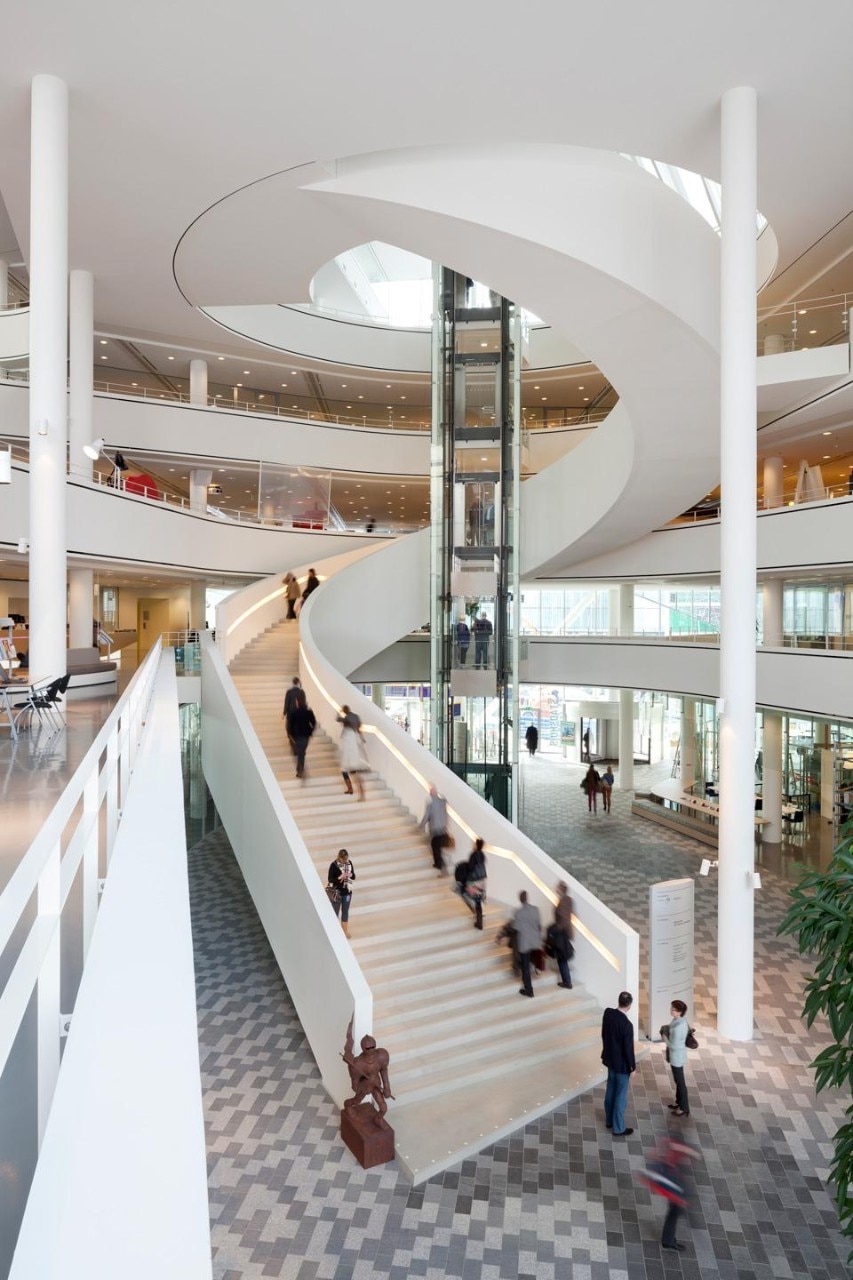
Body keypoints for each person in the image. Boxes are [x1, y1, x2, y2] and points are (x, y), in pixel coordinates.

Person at [639, 1133, 699, 1252]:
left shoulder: (673, 1143)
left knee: (675, 1210)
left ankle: (669, 1239)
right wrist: (691, 1152)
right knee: (675, 1211)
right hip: (672, 1180)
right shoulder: (675, 1145)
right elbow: (672, 1146)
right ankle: (668, 1240)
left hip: (674, 1179)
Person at [601, 991, 636, 1136]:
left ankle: (609, 1120)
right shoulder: (627, 1025)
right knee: (620, 1097)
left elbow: (603, 1033)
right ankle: (618, 1127)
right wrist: (632, 1067)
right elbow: (628, 1049)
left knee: (610, 1090)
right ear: (629, 1005)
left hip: (610, 1059)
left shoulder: (608, 1013)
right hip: (622, 1065)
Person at [513, 890, 542, 998]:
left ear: (520, 899)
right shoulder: (536, 910)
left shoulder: (518, 913)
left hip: (525, 943)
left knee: (525, 967)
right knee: (532, 960)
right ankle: (537, 970)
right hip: (535, 941)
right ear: (527, 898)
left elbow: (516, 928)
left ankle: (529, 989)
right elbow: (539, 926)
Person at [665, 998, 691, 1117]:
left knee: (680, 1082)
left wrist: (664, 1037)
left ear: (679, 1012)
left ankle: (683, 1107)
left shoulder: (679, 1026)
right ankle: (678, 1102)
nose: (671, 1011)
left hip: (677, 1057)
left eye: (673, 1009)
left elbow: (674, 1045)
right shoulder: (679, 1020)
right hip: (676, 1056)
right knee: (678, 1081)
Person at [337, 704, 368, 800]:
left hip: (350, 758)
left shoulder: (347, 729)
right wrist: (362, 738)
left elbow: (338, 719)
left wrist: (339, 712)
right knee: (356, 775)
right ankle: (361, 794)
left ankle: (351, 789)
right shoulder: (355, 729)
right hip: (356, 756)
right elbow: (359, 728)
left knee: (346, 772)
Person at [287, 687, 316, 779]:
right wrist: (310, 732)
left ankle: (300, 771)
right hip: (306, 736)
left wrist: (290, 734)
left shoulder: (294, 712)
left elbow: (290, 725)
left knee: (300, 753)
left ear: (297, 702)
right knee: (301, 752)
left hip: (298, 736)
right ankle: (300, 770)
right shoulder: (308, 712)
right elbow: (314, 723)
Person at [327, 848, 355, 937]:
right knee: (335, 912)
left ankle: (345, 931)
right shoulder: (334, 865)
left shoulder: (349, 863)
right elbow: (330, 880)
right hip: (337, 892)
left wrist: (350, 875)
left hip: (347, 891)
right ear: (339, 857)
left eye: (346, 859)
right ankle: (334, 932)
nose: (345, 861)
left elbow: (353, 876)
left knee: (345, 911)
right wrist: (340, 877)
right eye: (344, 860)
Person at [420, 784, 449, 873]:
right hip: (443, 829)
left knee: (434, 846)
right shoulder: (443, 802)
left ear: (431, 794)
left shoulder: (431, 805)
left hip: (435, 830)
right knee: (437, 846)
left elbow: (426, 816)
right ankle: (440, 864)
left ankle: (440, 865)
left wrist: (421, 825)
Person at [460, 837, 487, 930]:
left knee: (463, 892)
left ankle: (478, 919)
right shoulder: (482, 855)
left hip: (474, 880)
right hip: (482, 880)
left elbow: (470, 867)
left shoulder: (473, 855)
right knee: (478, 900)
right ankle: (479, 919)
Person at [551, 881, 574, 989]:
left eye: (558, 887)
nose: (556, 889)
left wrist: (556, 929)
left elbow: (564, 919)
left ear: (561, 889)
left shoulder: (563, 901)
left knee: (562, 957)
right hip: (566, 932)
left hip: (562, 933)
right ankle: (567, 980)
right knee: (562, 956)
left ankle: (567, 981)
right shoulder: (568, 900)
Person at [282, 676, 302, 753]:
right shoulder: (301, 692)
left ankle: (292, 742)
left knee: (289, 729)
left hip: (290, 715)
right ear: (298, 683)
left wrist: (284, 713)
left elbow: (286, 703)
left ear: (292, 683)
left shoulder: (289, 692)